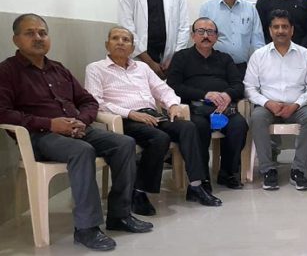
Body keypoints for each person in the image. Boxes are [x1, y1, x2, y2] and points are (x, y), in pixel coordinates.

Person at [0, 14, 152, 251]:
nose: (38, 38)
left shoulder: (58, 69)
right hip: (39, 136)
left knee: (124, 143)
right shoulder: (7, 71)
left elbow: (88, 101)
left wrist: (81, 121)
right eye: (30, 33)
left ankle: (120, 215)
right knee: (83, 151)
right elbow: (3, 113)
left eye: (42, 32)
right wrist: (51, 124)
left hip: (77, 129)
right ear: (16, 39)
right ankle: (86, 228)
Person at [85, 27, 222, 214]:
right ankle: (139, 192)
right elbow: (96, 103)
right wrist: (131, 113)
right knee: (159, 138)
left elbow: (163, 89)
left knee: (188, 127)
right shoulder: (96, 68)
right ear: (106, 44)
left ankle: (196, 186)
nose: (120, 42)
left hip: (153, 115)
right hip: (124, 119)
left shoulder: (141, 67)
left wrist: (173, 105)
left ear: (132, 47)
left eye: (126, 40)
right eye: (115, 38)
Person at [167, 17, 249, 189]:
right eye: (201, 31)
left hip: (222, 109)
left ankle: (227, 173)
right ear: (192, 35)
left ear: (216, 37)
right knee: (199, 127)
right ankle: (201, 177)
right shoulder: (181, 57)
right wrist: (205, 94)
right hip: (194, 109)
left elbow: (238, 85)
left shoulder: (225, 59)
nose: (206, 35)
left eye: (210, 32)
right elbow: (173, 87)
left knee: (239, 125)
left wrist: (227, 95)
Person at [244, 9, 307, 191]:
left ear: (292, 30)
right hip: (268, 106)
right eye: (276, 27)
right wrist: (267, 103)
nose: (280, 31)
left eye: (284, 26)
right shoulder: (259, 55)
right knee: (257, 117)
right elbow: (249, 88)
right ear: (270, 30)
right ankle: (268, 170)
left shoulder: (305, 55)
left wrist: (295, 105)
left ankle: (298, 170)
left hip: (296, 106)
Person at [199, 0, 264, 76]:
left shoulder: (250, 9)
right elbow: (202, 39)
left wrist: (258, 68)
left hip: (243, 68)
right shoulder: (207, 8)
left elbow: (258, 41)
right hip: (215, 68)